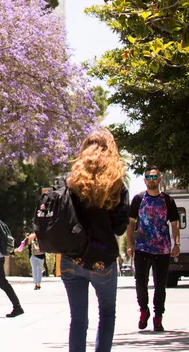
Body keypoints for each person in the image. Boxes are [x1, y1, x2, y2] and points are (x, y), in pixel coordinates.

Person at [60, 129, 129, 352]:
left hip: (72, 259)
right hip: (103, 260)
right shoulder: (117, 184)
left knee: (78, 320)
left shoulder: (71, 182)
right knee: (107, 314)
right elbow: (119, 227)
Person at [126, 167, 181, 332]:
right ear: (144, 180)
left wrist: (176, 244)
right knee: (140, 283)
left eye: (155, 176)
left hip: (162, 249)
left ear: (160, 179)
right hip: (142, 248)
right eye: (149, 176)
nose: (152, 179)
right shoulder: (138, 199)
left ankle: (158, 317)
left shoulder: (168, 201)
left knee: (160, 285)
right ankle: (144, 310)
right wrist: (130, 244)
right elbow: (131, 222)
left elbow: (175, 223)